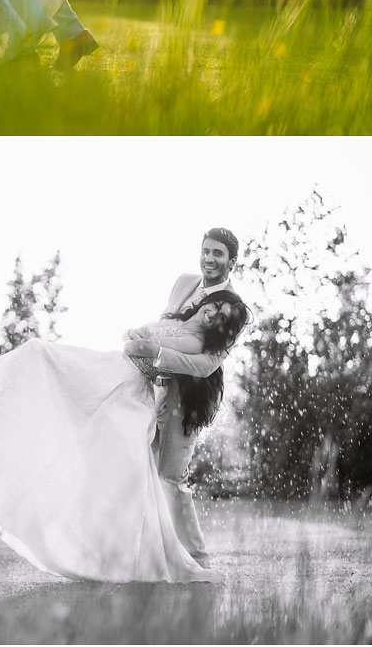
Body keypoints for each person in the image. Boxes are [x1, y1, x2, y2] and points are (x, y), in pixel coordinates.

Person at [0, 291, 247, 582]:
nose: (214, 314)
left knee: (130, 476)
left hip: (130, 385)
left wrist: (142, 339)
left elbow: (142, 348)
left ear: (222, 328)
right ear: (207, 301)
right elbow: (132, 339)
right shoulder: (177, 322)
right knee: (38, 355)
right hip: (116, 371)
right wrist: (137, 335)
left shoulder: (193, 340)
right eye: (216, 305)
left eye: (222, 317)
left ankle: (116, 555)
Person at [123, 228, 248, 568]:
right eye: (206, 251)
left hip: (189, 399)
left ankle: (196, 559)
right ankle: (148, 555)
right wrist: (143, 334)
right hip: (155, 389)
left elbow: (208, 364)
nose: (209, 258)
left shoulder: (236, 310)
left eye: (218, 254)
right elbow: (167, 322)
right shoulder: (184, 282)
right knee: (143, 472)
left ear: (231, 262)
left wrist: (159, 353)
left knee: (171, 477)